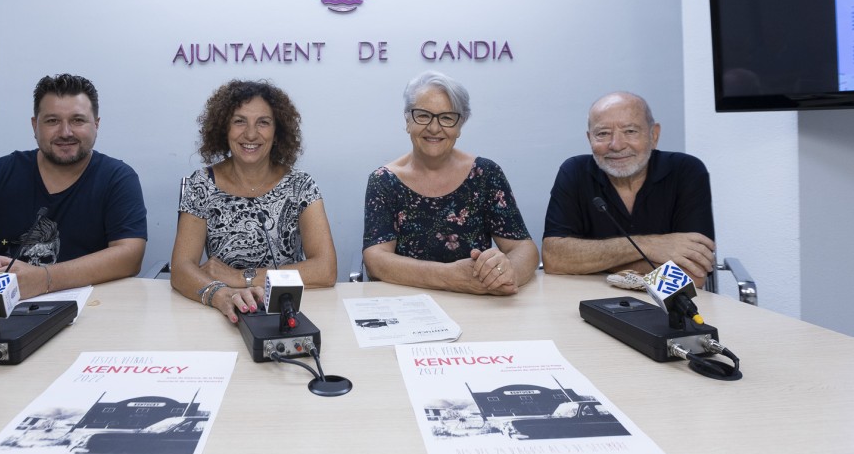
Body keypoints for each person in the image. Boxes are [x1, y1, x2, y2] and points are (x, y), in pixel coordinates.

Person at [0, 74, 147, 300]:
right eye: (52, 121)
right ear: (35, 125)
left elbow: (130, 255)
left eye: (78, 120)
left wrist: (43, 279)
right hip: (4, 308)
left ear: (96, 125)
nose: (65, 132)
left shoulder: (117, 178)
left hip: (91, 310)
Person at [170, 79, 337, 323]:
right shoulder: (201, 184)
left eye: (263, 123)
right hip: (224, 313)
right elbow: (181, 269)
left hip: (289, 310)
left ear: (277, 131)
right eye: (239, 121)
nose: (250, 134)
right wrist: (222, 295)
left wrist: (242, 277)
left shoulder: (300, 185)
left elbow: (325, 270)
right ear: (223, 128)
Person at [362, 71, 539, 295]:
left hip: (478, 305)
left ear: (460, 125)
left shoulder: (485, 174)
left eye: (447, 117)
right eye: (423, 115)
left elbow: (525, 248)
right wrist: (450, 277)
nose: (434, 128)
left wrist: (506, 272)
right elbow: (375, 260)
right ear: (407, 120)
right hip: (407, 307)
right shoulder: (384, 181)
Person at [542, 91, 715, 285]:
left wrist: (593, 261)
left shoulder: (686, 171)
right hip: (591, 300)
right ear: (589, 138)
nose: (616, 145)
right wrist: (649, 245)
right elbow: (554, 259)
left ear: (654, 135)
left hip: (673, 303)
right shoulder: (574, 171)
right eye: (603, 134)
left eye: (630, 131)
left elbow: (693, 274)